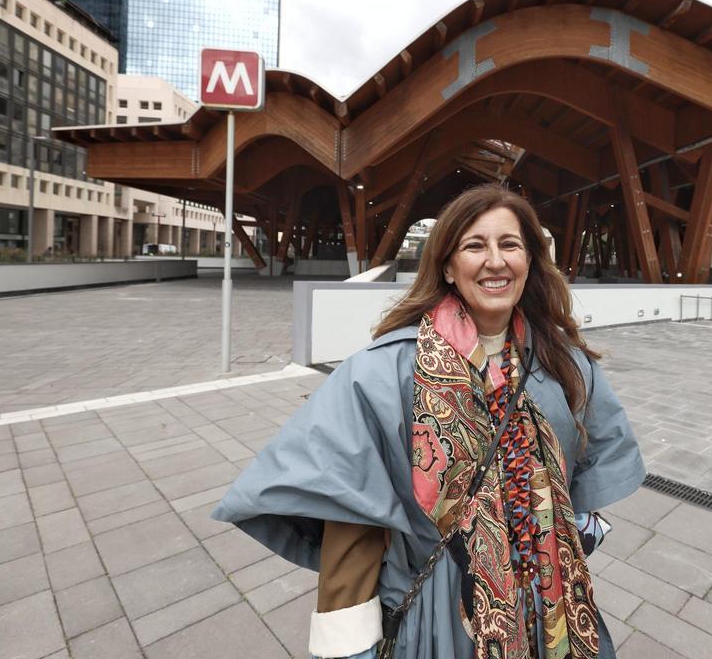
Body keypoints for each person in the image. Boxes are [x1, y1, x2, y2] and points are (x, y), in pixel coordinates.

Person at [213, 184, 645, 659]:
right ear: (447, 266)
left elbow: (590, 461)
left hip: (550, 602)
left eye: (510, 244)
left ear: (530, 261)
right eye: (475, 245)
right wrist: (350, 645)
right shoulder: (385, 371)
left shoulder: (564, 363)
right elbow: (353, 516)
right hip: (440, 614)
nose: (495, 261)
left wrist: (565, 530)